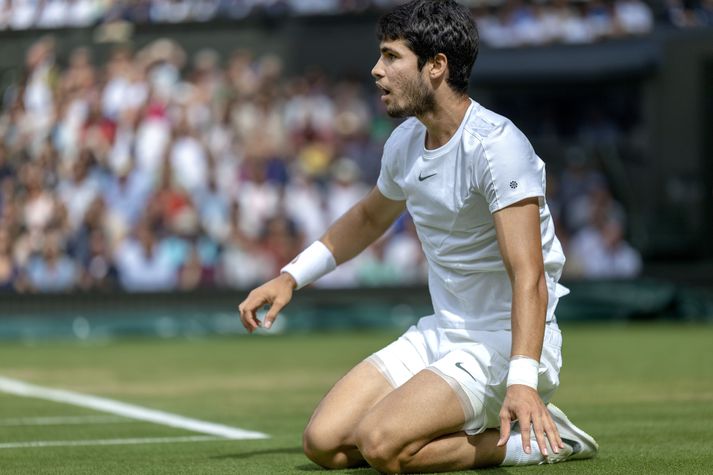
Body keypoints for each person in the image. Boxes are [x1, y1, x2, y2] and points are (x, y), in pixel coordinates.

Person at [238, 1, 598, 472]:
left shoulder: (498, 146)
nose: (376, 70)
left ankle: (536, 439)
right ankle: (454, 428)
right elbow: (368, 219)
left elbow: (528, 274)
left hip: (504, 343)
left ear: (436, 67)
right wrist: (290, 277)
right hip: (440, 334)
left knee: (382, 445)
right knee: (323, 443)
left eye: (391, 57)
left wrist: (523, 380)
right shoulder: (405, 141)